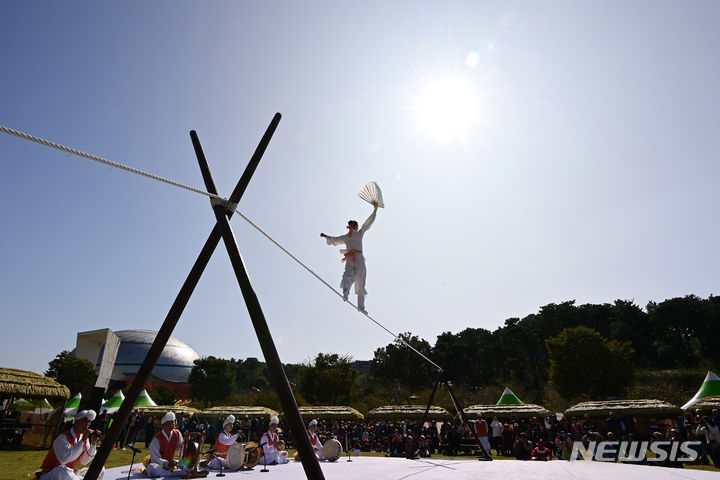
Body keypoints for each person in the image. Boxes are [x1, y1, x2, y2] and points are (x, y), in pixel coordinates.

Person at [321, 202, 378, 314]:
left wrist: (325, 236)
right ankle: (361, 307)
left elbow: (334, 240)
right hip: (359, 258)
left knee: (348, 275)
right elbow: (367, 224)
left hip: (350, 259)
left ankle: (346, 292)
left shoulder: (346, 237)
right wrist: (375, 211)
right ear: (356, 227)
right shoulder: (359, 233)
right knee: (360, 280)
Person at [39, 410, 103, 480]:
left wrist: (93, 444)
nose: (87, 424)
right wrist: (82, 441)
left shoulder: (83, 438)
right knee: (63, 471)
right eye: (85, 421)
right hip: (52, 473)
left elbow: (84, 461)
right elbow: (64, 460)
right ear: (76, 421)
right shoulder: (62, 438)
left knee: (99, 469)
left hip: (69, 473)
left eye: (89, 422)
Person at [146, 412, 185, 478]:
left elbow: (180, 450)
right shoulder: (157, 439)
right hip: (160, 465)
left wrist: (186, 444)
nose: (171, 425)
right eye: (168, 424)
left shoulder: (177, 434)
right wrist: (167, 463)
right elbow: (155, 458)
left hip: (172, 465)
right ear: (163, 425)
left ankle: (172, 473)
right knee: (151, 467)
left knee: (187, 462)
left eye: (172, 423)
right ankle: (174, 474)